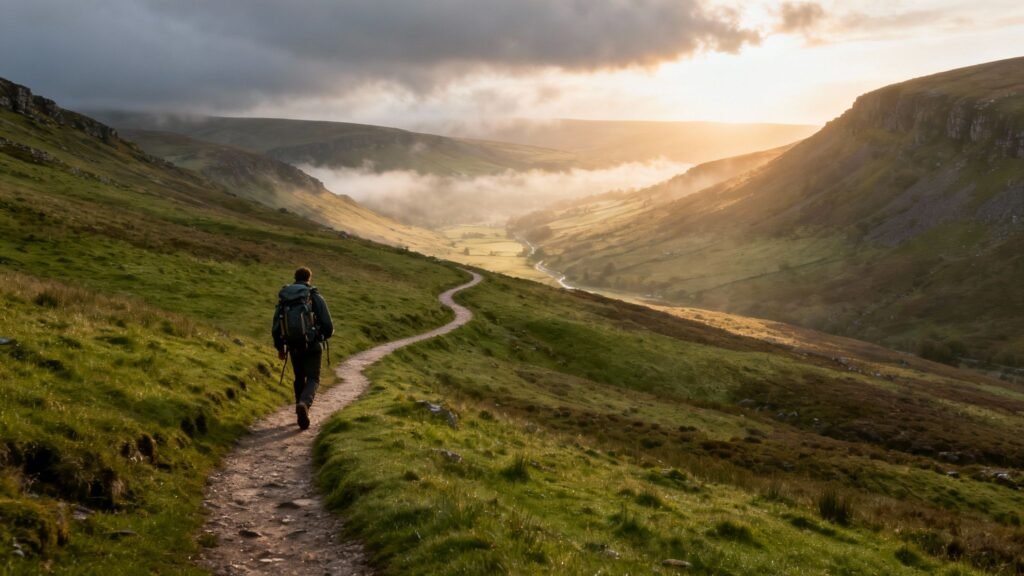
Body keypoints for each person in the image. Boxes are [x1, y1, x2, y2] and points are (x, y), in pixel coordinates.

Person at [272, 267, 334, 430]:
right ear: (309, 278)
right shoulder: (313, 296)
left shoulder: (285, 299)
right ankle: (304, 404)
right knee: (313, 378)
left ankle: (300, 411)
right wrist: (321, 337)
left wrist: (280, 347)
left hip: (293, 346)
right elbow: (328, 325)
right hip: (312, 345)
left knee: (299, 377)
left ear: (295, 278)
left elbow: (276, 326)